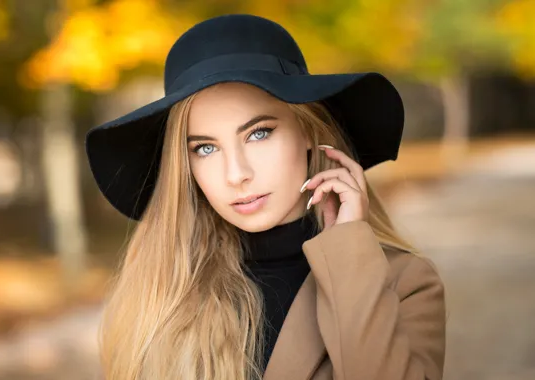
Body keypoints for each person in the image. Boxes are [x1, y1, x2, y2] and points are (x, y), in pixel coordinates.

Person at [85, 14, 446, 380]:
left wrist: (350, 253)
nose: (237, 173)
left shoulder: (405, 282)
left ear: (308, 130)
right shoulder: (160, 296)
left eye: (258, 133)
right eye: (205, 148)